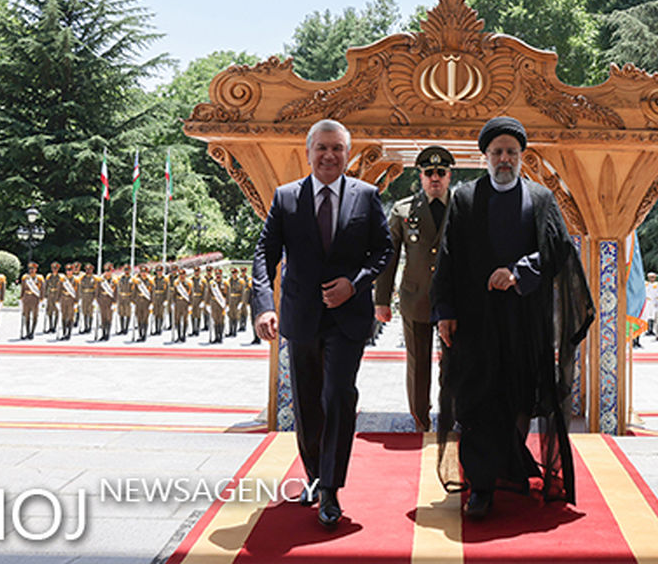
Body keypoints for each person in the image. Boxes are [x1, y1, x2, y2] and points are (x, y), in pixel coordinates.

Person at [431, 116, 594, 520]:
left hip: (525, 321)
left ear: (522, 157)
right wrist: (445, 312)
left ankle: (508, 467)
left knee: (520, 397)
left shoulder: (540, 199)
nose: (504, 159)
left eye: (512, 153)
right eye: (497, 152)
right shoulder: (465, 198)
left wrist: (520, 271)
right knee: (476, 400)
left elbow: (559, 252)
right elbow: (448, 258)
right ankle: (482, 487)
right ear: (485, 157)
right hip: (476, 322)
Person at [251, 118, 394, 530]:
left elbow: (383, 251)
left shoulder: (367, 197)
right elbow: (264, 253)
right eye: (322, 148)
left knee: (338, 396)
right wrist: (264, 304)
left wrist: (356, 283)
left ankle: (330, 488)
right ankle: (314, 475)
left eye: (338, 149)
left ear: (348, 154)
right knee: (309, 402)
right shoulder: (286, 198)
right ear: (309, 150)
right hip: (301, 316)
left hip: (348, 319)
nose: (330, 156)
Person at [375, 145, 454, 432]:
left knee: (452, 363)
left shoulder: (461, 208)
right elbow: (389, 257)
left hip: (452, 300)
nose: (435, 178)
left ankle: (450, 415)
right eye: (429, 172)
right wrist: (381, 300)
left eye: (441, 172)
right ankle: (420, 418)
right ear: (420, 176)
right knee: (418, 363)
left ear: (449, 176)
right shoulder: (403, 210)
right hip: (415, 297)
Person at [20, 262, 45, 339]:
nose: (31, 270)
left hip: (35, 299)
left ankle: (32, 332)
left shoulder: (40, 278)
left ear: (36, 269)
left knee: (35, 316)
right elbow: (23, 288)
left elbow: (42, 289)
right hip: (27, 299)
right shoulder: (25, 278)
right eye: (30, 269)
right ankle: (27, 332)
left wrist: (41, 299)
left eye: (33, 269)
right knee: (26, 316)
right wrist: (21, 298)